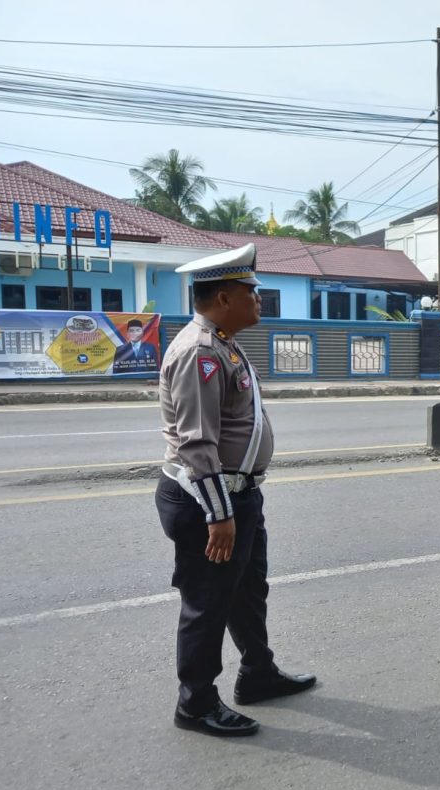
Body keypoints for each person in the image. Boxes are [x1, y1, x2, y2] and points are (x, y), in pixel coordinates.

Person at [156, 243, 315, 738]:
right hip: (208, 501)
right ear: (225, 297)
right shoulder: (200, 351)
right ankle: (196, 703)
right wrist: (220, 514)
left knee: (248, 591)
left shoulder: (222, 341)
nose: (259, 299)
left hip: (237, 495)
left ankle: (257, 672)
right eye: (252, 291)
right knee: (208, 601)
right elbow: (196, 443)